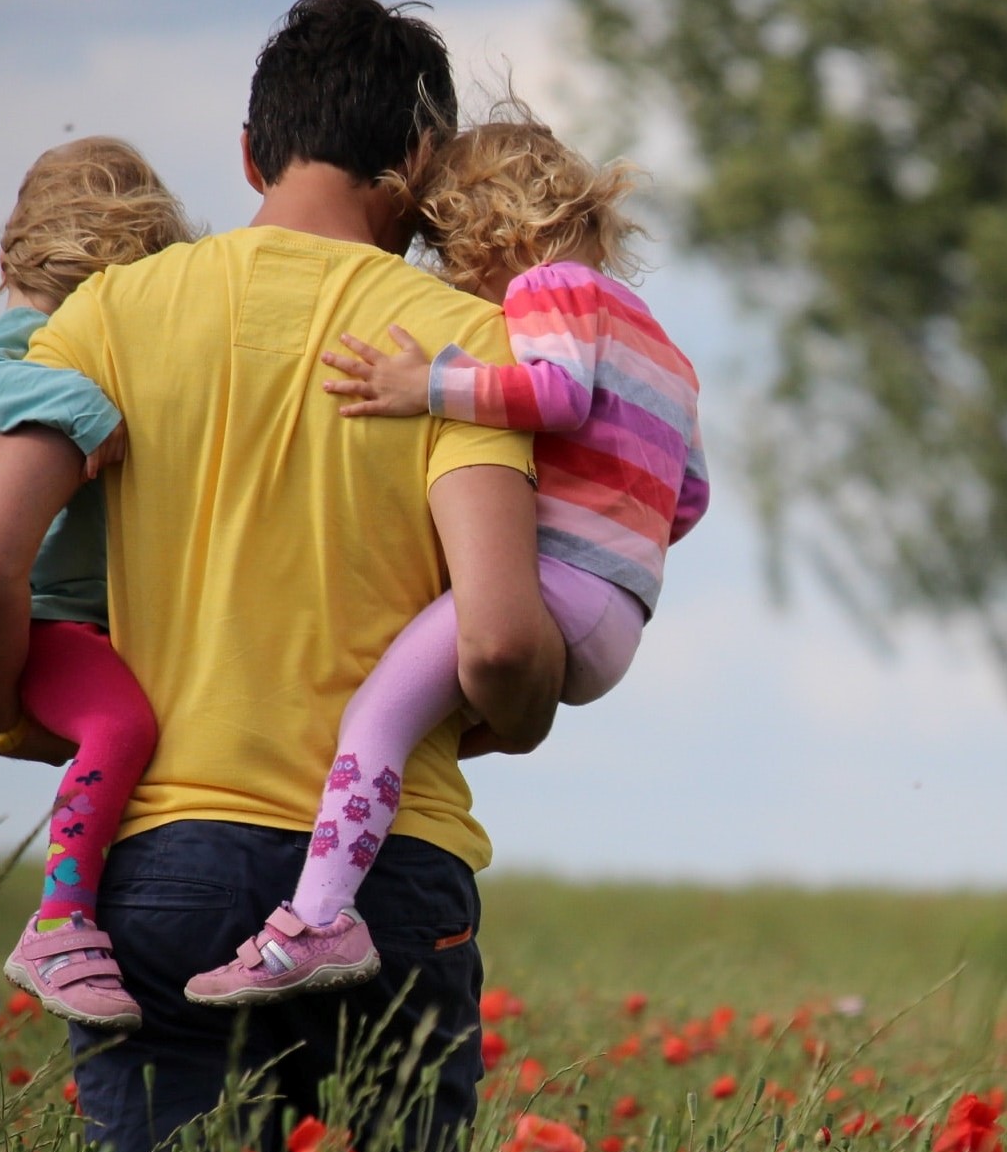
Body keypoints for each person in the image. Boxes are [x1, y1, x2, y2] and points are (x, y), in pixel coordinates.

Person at [0, 0, 565, 1152]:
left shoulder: (108, 315)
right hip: (389, 879)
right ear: (422, 161)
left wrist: (10, 711)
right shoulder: (461, 346)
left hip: (162, 865)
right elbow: (496, 641)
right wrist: (522, 711)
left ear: (248, 154)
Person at [185, 113, 709, 1005]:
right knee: (422, 720)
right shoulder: (663, 345)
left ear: (491, 233)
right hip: (619, 613)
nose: (459, 283)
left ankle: (317, 920)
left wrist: (424, 384)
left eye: (453, 256)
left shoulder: (549, 287)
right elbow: (688, 497)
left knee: (374, 718)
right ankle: (345, 872)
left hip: (556, 586)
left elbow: (555, 395)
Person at [0, 137, 195, 1030]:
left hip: (81, 618)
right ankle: (59, 921)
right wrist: (85, 406)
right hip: (41, 618)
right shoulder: (16, 349)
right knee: (122, 727)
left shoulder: (53, 338)